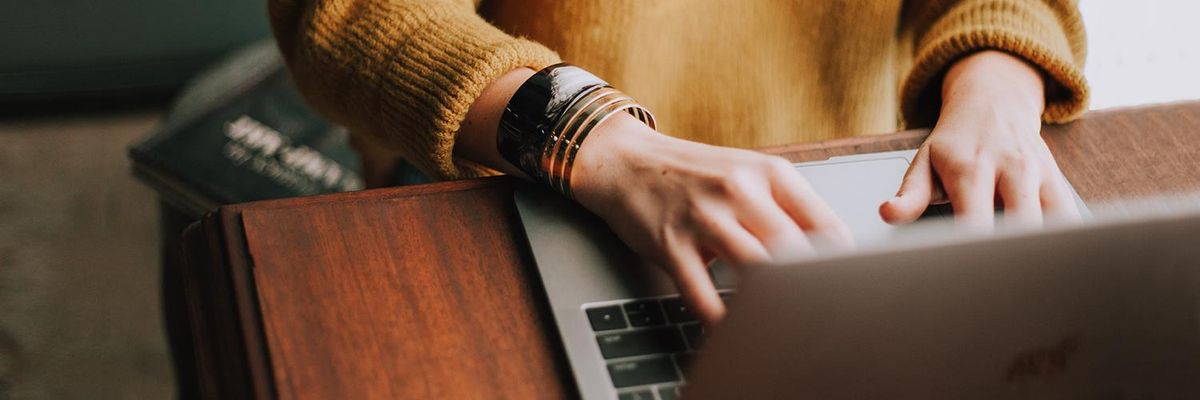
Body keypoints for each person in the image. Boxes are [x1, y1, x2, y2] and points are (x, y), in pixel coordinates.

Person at [268, 0, 1089, 324]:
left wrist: (997, 86)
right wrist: (599, 140)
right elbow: (343, 15)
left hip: (842, 208)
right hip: (510, 190)